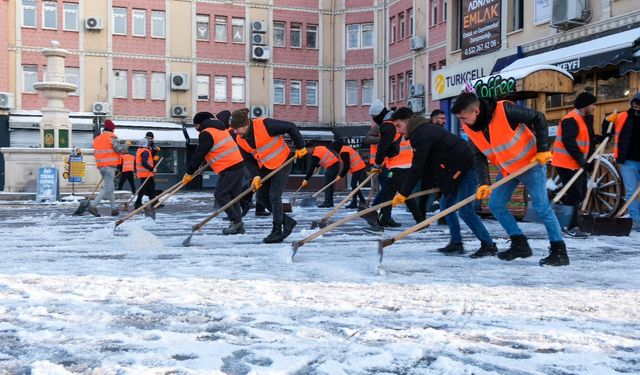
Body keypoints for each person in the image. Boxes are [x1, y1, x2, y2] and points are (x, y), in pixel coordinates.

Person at [452, 92, 569, 266]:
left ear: (476, 110)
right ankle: (519, 244)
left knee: (541, 207)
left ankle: (559, 251)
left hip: (531, 164)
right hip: (508, 170)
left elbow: (538, 117)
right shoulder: (470, 128)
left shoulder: (504, 110)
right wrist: (484, 183)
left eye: (463, 117)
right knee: (496, 204)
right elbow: (478, 155)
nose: (461, 122)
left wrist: (543, 149)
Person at [392, 115, 497, 257]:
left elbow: (418, 167)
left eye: (399, 126)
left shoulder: (421, 134)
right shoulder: (422, 131)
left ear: (407, 122)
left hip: (466, 168)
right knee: (446, 206)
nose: (398, 131)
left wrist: (404, 193)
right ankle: (456, 243)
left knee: (465, 210)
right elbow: (428, 166)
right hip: (453, 170)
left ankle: (488, 245)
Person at [230, 108, 307, 243]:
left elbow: (291, 127)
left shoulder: (265, 124)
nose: (235, 132)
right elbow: (248, 160)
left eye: (238, 128)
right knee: (261, 197)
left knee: (274, 195)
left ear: (246, 124)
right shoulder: (239, 139)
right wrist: (255, 176)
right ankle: (287, 221)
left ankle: (277, 230)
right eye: (234, 129)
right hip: (264, 166)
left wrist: (300, 146)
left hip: (282, 160)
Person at [182, 117, 246, 235]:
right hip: (238, 165)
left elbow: (199, 153)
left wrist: (189, 172)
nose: (196, 128)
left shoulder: (206, 133)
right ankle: (238, 225)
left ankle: (236, 222)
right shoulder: (220, 130)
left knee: (220, 195)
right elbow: (212, 150)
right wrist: (200, 167)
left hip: (229, 167)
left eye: (196, 125)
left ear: (200, 124)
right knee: (233, 197)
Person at [365, 107, 425, 233]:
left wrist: (377, 164)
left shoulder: (388, 126)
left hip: (398, 166)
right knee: (406, 195)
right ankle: (421, 222)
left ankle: (381, 222)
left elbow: (383, 146)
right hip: (406, 163)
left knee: (387, 193)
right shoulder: (395, 124)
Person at [551, 92, 598, 237]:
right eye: (592, 105)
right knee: (574, 195)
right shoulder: (570, 119)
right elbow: (569, 142)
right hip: (566, 163)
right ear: (585, 105)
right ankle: (568, 227)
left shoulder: (583, 119)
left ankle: (572, 224)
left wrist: (603, 137)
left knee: (580, 193)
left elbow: (587, 139)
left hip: (576, 163)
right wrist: (582, 160)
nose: (594, 107)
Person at [87, 119, 129, 217]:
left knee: (110, 188)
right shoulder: (112, 137)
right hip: (109, 166)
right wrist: (127, 144)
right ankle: (93, 205)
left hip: (101, 166)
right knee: (107, 188)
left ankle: (113, 209)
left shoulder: (97, 139)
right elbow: (120, 150)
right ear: (112, 129)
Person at [612, 92, 640, 232]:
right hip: (627, 160)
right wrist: (607, 122)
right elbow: (608, 129)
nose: (637, 106)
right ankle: (636, 221)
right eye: (636, 103)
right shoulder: (623, 116)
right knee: (631, 191)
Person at [301, 143, 341, 207]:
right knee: (329, 185)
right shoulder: (320, 147)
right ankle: (330, 202)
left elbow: (311, 168)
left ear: (312, 148)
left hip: (331, 167)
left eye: (308, 150)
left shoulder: (315, 155)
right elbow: (323, 156)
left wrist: (306, 179)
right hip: (335, 165)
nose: (308, 152)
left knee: (327, 185)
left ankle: (327, 202)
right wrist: (317, 166)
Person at [330, 140, 367, 209]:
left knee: (353, 185)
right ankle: (358, 201)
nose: (334, 152)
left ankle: (358, 202)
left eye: (334, 150)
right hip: (358, 167)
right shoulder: (344, 149)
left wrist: (340, 175)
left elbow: (346, 166)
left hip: (358, 167)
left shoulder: (344, 152)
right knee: (354, 185)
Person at [134, 138, 157, 209]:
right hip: (146, 173)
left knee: (151, 187)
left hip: (144, 173)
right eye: (148, 142)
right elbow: (144, 162)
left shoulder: (140, 150)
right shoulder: (145, 151)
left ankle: (154, 202)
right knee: (144, 189)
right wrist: (152, 169)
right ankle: (138, 203)